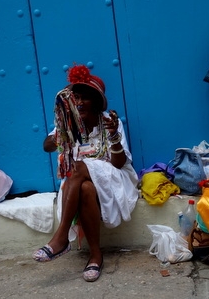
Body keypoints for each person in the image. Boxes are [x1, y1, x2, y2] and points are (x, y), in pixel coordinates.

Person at [33, 65, 139, 282]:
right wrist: (63, 130)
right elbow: (46, 146)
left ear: (96, 101)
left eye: (85, 98)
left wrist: (114, 137)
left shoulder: (108, 121)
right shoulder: (69, 121)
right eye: (76, 98)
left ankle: (61, 236)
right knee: (86, 188)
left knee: (79, 166)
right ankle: (95, 256)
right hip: (79, 183)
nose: (79, 102)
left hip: (113, 179)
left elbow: (119, 163)